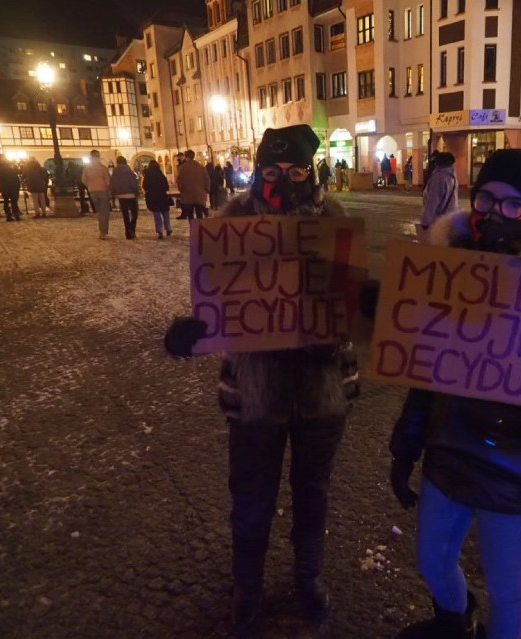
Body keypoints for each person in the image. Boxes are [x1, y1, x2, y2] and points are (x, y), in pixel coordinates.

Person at [162, 124, 360, 636]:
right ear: (258, 169)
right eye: (271, 171)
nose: (284, 182)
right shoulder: (233, 223)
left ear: (311, 170)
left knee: (312, 492)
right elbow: (218, 303)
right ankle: (246, 588)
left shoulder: (334, 223)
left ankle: (307, 577)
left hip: (320, 391)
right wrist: (191, 331)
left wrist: (351, 319)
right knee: (251, 498)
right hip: (255, 394)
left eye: (296, 171)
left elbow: (348, 303)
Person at [390, 149, 521, 639]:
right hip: (450, 448)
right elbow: (426, 371)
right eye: (485, 199)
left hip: (518, 464)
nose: (494, 214)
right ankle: (453, 621)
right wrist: (406, 443)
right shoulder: (446, 272)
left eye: (513, 205)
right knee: (433, 560)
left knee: (506, 587)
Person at [419, 152, 458, 241]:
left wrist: (425, 222)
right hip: (449, 219)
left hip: (438, 222)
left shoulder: (438, 178)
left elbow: (432, 202)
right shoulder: (452, 176)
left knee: (435, 250)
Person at [82, 150, 112, 239]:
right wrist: (108, 188)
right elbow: (108, 181)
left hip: (92, 191)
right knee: (105, 212)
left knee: (99, 211)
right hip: (103, 190)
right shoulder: (102, 168)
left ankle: (101, 230)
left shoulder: (87, 168)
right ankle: (103, 231)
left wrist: (89, 186)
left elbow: (83, 179)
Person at [110, 156, 140, 239]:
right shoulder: (129, 171)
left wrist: (113, 193)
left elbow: (112, 184)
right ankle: (132, 229)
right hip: (130, 194)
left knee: (125, 214)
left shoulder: (115, 173)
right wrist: (136, 192)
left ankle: (127, 232)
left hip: (121, 195)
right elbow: (133, 182)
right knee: (134, 213)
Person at [143, 160, 173, 240]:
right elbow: (166, 187)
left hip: (153, 196)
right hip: (162, 196)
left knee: (156, 214)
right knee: (165, 212)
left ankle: (160, 230)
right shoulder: (161, 175)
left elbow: (145, 186)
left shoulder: (148, 175)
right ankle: (168, 227)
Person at [176, 149, 210, 221]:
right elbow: (207, 179)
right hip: (199, 194)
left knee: (190, 214)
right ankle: (200, 228)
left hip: (187, 194)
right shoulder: (200, 167)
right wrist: (206, 189)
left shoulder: (182, 168)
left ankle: (193, 228)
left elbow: (179, 180)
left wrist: (181, 188)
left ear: (186, 157)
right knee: (199, 213)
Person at [0, 156, 22, 222]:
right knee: (13, 201)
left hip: (6, 186)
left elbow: (17, 171)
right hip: (11, 185)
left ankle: (10, 215)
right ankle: (14, 215)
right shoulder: (4, 166)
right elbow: (14, 172)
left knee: (7, 201)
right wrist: (15, 166)